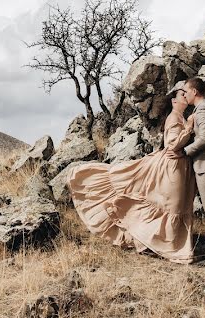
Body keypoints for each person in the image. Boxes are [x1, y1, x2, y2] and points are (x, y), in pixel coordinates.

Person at [67, 85, 197, 264]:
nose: (186, 96)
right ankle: (160, 245)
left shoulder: (180, 117)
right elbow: (173, 144)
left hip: (178, 165)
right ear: (174, 100)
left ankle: (158, 244)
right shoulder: (174, 117)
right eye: (182, 94)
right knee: (169, 205)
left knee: (169, 204)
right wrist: (189, 127)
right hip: (171, 166)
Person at [166, 76, 205, 267]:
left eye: (186, 91)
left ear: (194, 92)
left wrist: (185, 151)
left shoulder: (204, 111)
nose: (184, 94)